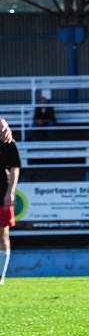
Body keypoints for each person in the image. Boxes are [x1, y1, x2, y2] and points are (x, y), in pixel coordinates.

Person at [0, 120, 20, 285]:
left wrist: (10, 192)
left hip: (2, 193)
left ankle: (1, 274)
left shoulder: (7, 142)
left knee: (3, 233)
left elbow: (15, 167)